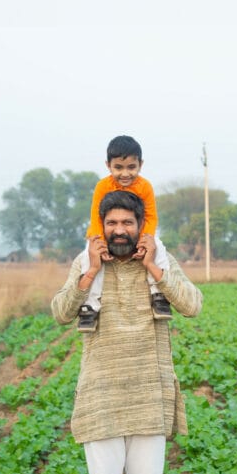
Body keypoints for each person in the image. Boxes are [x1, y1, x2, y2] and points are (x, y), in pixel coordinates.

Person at [51, 190, 203, 474]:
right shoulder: (86, 263)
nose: (120, 230)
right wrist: (89, 272)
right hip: (101, 390)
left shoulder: (159, 261)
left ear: (140, 227)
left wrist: (154, 268)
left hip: (150, 389)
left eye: (127, 223)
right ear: (101, 228)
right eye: (112, 223)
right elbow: (61, 313)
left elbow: (192, 305)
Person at [78, 135, 171, 332]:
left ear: (141, 164)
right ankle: (90, 306)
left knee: (158, 247)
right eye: (118, 167)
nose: (125, 173)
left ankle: (159, 295)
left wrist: (145, 241)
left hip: (138, 233)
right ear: (108, 165)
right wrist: (100, 244)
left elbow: (151, 217)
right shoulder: (102, 186)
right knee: (89, 256)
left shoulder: (145, 187)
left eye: (131, 167)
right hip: (102, 234)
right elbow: (96, 217)